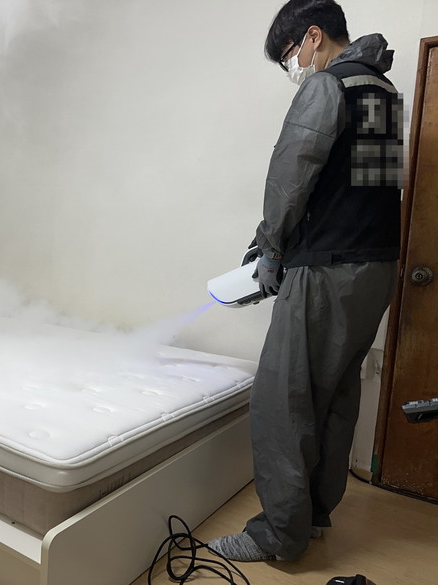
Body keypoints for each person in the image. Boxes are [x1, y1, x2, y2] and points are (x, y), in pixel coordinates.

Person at [208, 0, 403, 562]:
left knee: (283, 399)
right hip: (375, 270)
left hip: (326, 272)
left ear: (314, 36)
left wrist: (270, 246)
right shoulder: (382, 91)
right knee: (335, 395)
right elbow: (372, 189)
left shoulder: (327, 86)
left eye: (290, 53)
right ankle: (314, 513)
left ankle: (277, 535)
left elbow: (291, 174)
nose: (293, 65)